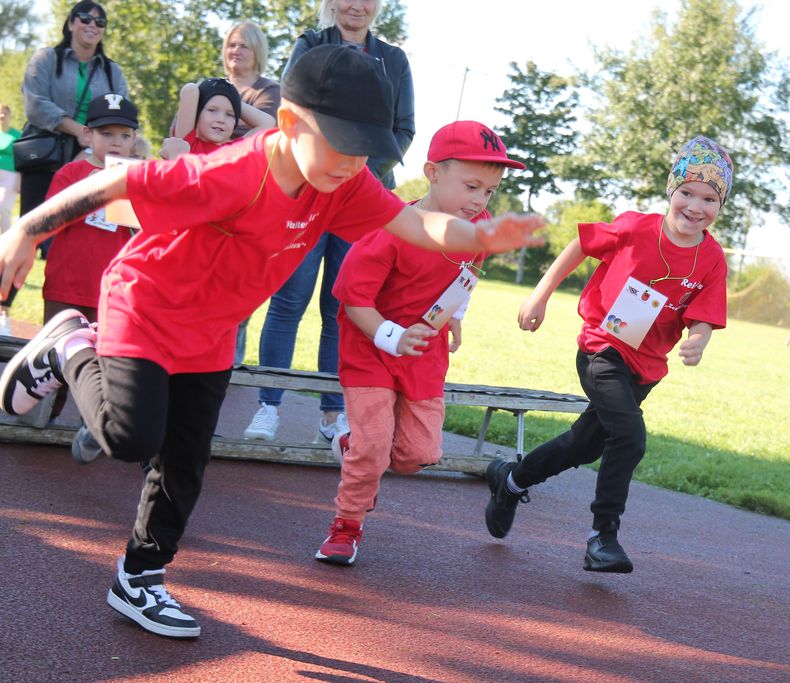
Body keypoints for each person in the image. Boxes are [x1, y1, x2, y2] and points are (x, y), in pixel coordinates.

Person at [0, 45, 542, 639]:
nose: (351, 162)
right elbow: (118, 179)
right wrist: (26, 229)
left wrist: (479, 236)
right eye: (339, 144)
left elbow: (413, 223)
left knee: (185, 461)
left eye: (363, 150)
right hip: (147, 307)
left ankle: (140, 577)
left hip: (213, 330)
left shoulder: (343, 181)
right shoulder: (233, 172)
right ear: (289, 123)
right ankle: (69, 345)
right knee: (131, 437)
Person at [484, 136, 733, 574]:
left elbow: (704, 316)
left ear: (720, 204)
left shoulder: (711, 258)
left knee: (583, 445)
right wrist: (540, 295)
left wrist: (700, 338)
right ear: (671, 190)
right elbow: (580, 245)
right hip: (602, 348)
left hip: (645, 369)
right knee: (630, 437)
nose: (696, 206)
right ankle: (603, 536)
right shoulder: (635, 228)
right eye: (687, 193)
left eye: (709, 199)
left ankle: (511, 480)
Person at [316, 120, 526, 565]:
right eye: (471, 186)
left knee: (417, 455)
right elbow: (354, 301)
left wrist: (455, 317)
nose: (480, 201)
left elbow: (469, 272)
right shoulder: (388, 227)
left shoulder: (479, 228)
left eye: (489, 191)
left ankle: (353, 447)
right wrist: (394, 337)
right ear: (432, 173)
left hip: (425, 348)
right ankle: (346, 525)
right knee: (375, 447)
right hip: (371, 343)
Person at [245, 0, 415, 443]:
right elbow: (290, 113)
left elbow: (404, 130)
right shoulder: (310, 45)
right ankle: (268, 406)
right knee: (288, 301)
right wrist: (324, 166)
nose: (356, 5)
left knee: (342, 308)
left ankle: (332, 414)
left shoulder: (394, 60)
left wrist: (356, 174)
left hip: (360, 201)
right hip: (307, 194)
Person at [40, 93, 138, 430]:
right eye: (106, 134)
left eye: (124, 135)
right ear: (87, 135)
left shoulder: (134, 177)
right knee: (54, 357)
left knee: (103, 363)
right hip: (66, 284)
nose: (116, 142)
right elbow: (50, 220)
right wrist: (95, 189)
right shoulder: (71, 173)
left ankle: (94, 426)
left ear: (134, 139)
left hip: (110, 292)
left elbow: (141, 230)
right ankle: (43, 416)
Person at [20, 0, 128, 246]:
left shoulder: (112, 71)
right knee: (30, 230)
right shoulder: (46, 58)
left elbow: (121, 115)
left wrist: (91, 144)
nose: (93, 25)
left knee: (80, 234)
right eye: (85, 19)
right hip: (45, 153)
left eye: (100, 22)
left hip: (92, 156)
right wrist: (78, 130)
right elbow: (35, 103)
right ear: (70, 23)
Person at [222, 20, 282, 363]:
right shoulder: (210, 85)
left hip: (249, 198)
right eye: (231, 44)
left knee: (238, 288)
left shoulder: (268, 91)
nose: (236, 51)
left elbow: (262, 137)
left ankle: (230, 364)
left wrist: (217, 133)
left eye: (243, 45)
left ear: (257, 50)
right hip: (208, 195)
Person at [159, 78, 274, 160]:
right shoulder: (186, 143)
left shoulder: (234, 152)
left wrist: (233, 99)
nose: (221, 119)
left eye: (230, 114)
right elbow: (190, 90)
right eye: (212, 110)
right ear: (197, 113)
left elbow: (268, 123)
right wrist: (223, 92)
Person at [0, 104, 20, 336]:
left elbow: (21, 157)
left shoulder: (16, 135)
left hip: (11, 176)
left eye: (6, 112)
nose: (3, 116)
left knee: (3, 208)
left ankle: (6, 241)